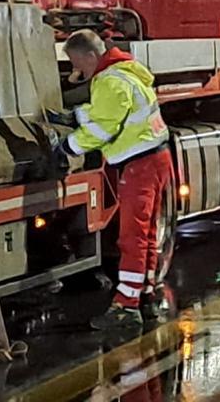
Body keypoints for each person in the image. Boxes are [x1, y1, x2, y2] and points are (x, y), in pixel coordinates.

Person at [59, 30, 173, 331]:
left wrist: (67, 147)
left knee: (131, 236)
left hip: (140, 164)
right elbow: (110, 114)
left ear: (89, 56)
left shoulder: (109, 81)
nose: (76, 71)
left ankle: (125, 306)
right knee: (147, 233)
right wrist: (77, 116)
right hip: (157, 159)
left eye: (76, 63)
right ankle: (146, 294)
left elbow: (103, 130)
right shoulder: (126, 73)